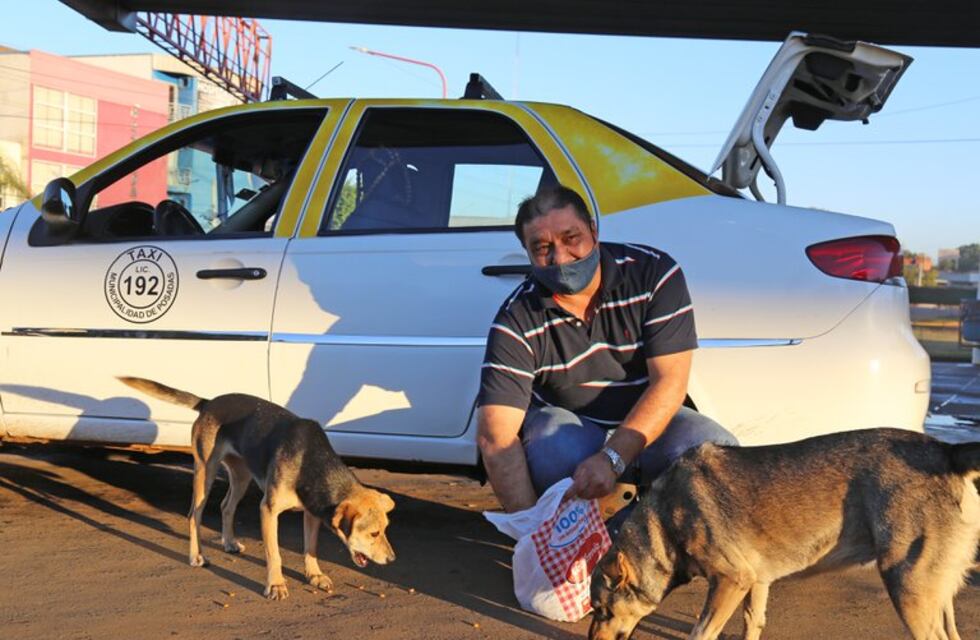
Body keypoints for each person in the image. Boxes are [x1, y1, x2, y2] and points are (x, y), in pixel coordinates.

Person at [477, 185, 737, 515]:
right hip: (573, 428)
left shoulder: (653, 274)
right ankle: (572, 537)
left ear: (594, 232)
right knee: (551, 447)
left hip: (651, 421)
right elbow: (495, 437)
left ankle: (672, 540)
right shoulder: (515, 320)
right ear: (527, 253)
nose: (560, 257)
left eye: (572, 238)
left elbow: (669, 382)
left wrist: (612, 458)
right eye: (542, 247)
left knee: (715, 454)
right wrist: (529, 529)